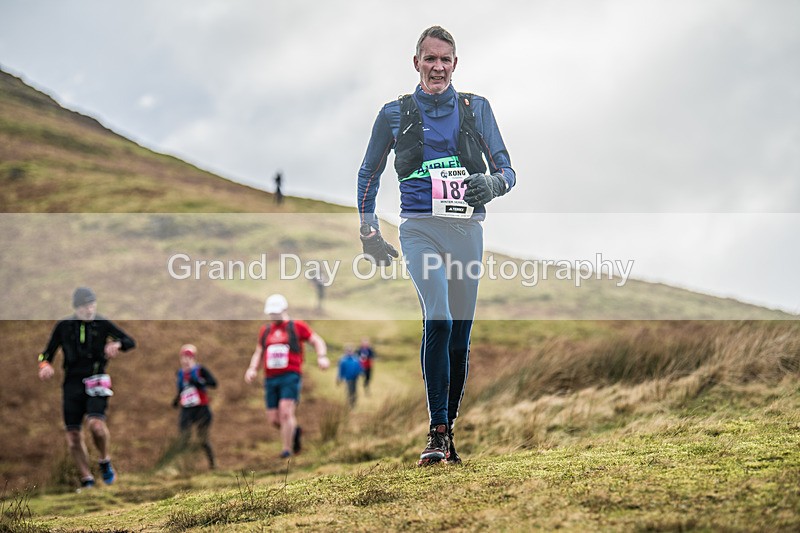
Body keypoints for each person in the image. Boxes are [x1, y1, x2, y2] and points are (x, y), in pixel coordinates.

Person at [356, 26, 515, 466]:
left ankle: (449, 435)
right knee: (439, 318)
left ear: (455, 64)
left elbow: (508, 169)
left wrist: (492, 183)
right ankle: (436, 431)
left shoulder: (476, 109)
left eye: (445, 60)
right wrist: (369, 230)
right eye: (430, 59)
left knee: (460, 337)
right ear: (416, 63)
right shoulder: (394, 114)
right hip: (420, 230)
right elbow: (368, 173)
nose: (438, 67)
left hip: (466, 232)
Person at [37, 287, 136, 489]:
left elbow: (130, 341)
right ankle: (87, 480)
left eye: (92, 305)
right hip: (71, 385)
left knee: (96, 426)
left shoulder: (102, 323)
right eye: (85, 306)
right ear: (76, 308)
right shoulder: (63, 326)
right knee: (73, 437)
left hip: (97, 380)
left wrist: (117, 344)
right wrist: (44, 365)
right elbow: (45, 354)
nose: (90, 310)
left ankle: (104, 460)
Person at [244, 294, 330, 458]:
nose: (273, 316)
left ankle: (286, 451)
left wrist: (322, 357)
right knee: (274, 420)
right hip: (270, 379)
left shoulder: (297, 326)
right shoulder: (265, 330)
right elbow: (259, 351)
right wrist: (252, 368)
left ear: (283, 310)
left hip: (291, 375)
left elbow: (317, 341)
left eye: (275, 313)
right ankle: (294, 431)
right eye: (271, 313)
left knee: (285, 412)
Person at [171, 344, 217, 469]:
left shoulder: (200, 370)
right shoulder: (180, 373)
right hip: (187, 410)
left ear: (193, 358)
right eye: (183, 357)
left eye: (188, 357)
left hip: (201, 409)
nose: (185, 360)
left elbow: (214, 383)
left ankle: (212, 464)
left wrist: (199, 381)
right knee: (184, 437)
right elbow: (182, 389)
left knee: (202, 439)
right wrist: (176, 400)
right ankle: (182, 466)